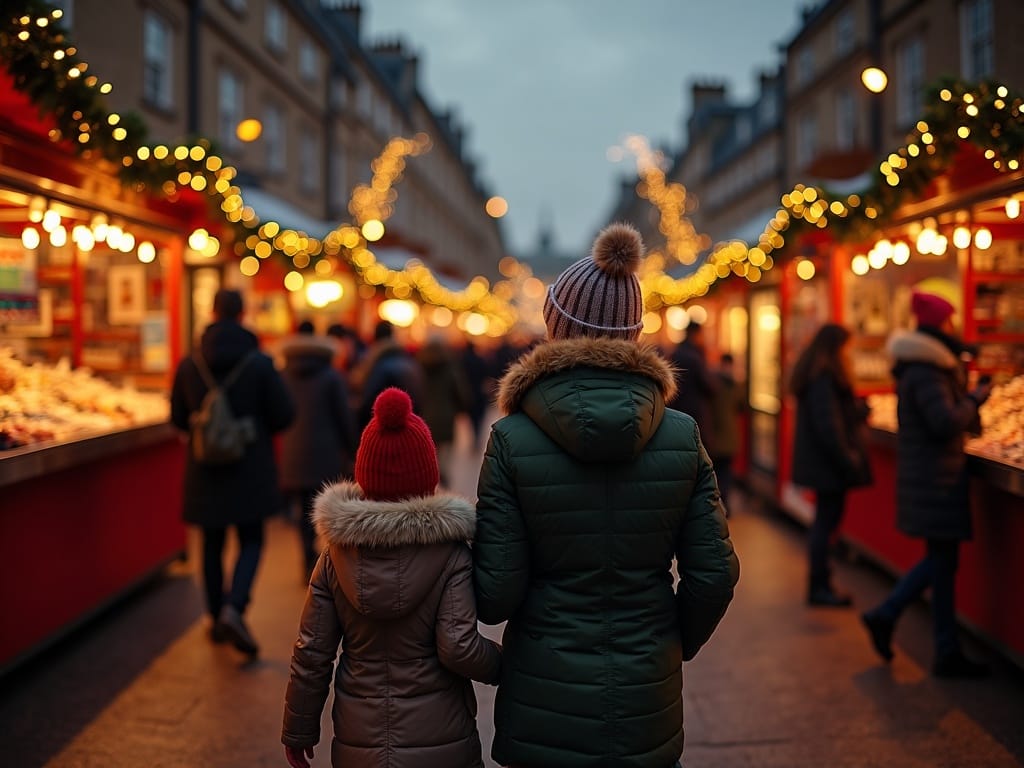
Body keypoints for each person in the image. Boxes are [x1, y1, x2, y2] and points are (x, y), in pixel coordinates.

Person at [473, 222, 739, 768]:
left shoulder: (511, 439)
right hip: (645, 694)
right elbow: (714, 574)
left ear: (556, 328)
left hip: (544, 695)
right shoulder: (681, 434)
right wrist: (669, 640)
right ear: (634, 332)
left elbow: (496, 593)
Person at [282, 387, 501, 768]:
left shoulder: (336, 554)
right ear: (428, 477)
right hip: (440, 737)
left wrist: (299, 730)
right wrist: (505, 665)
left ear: (365, 477)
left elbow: (312, 651)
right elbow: (458, 646)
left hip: (359, 740)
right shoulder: (449, 553)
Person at [861, 291, 993, 678]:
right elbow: (944, 422)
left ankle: (942, 647)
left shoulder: (924, 366)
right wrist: (975, 398)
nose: (955, 326)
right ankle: (889, 616)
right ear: (940, 325)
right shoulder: (927, 371)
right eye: (950, 320)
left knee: (943, 562)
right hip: (936, 478)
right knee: (941, 560)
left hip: (933, 475)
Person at [170, 289, 294, 656]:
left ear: (212, 313)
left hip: (204, 468)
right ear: (242, 315)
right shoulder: (260, 363)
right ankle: (235, 607)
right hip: (249, 468)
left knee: (211, 543)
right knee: (251, 539)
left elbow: (178, 418)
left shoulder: (190, 363)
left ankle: (214, 618)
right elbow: (284, 415)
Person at [790, 324, 872, 607]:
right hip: (828, 465)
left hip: (822, 463)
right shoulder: (825, 377)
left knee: (824, 523)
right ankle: (819, 586)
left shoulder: (815, 373)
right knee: (826, 524)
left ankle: (821, 583)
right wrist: (848, 458)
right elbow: (829, 425)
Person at [279, 323, 357, 578]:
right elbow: (343, 416)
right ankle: (329, 563)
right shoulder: (332, 376)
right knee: (327, 508)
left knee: (303, 510)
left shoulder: (284, 374)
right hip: (326, 452)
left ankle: (306, 558)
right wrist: (351, 448)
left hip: (293, 452)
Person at [349, 320, 425, 434]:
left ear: (375, 338)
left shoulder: (379, 365)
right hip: (411, 430)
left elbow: (369, 404)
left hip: (388, 433)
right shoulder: (410, 362)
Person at [417, 335, 471, 486]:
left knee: (429, 452)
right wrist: (462, 408)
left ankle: (431, 479)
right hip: (446, 417)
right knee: (445, 455)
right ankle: (443, 480)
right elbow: (460, 392)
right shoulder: (450, 368)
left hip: (425, 417)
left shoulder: (418, 367)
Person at [667, 320, 718, 456]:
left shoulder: (676, 353)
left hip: (678, 410)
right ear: (696, 334)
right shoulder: (695, 357)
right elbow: (709, 386)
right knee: (699, 450)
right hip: (696, 413)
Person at [709, 352, 745, 508]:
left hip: (714, 436)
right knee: (726, 472)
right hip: (730, 436)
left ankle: (717, 504)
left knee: (715, 472)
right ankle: (726, 504)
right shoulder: (735, 386)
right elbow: (742, 407)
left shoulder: (712, 383)